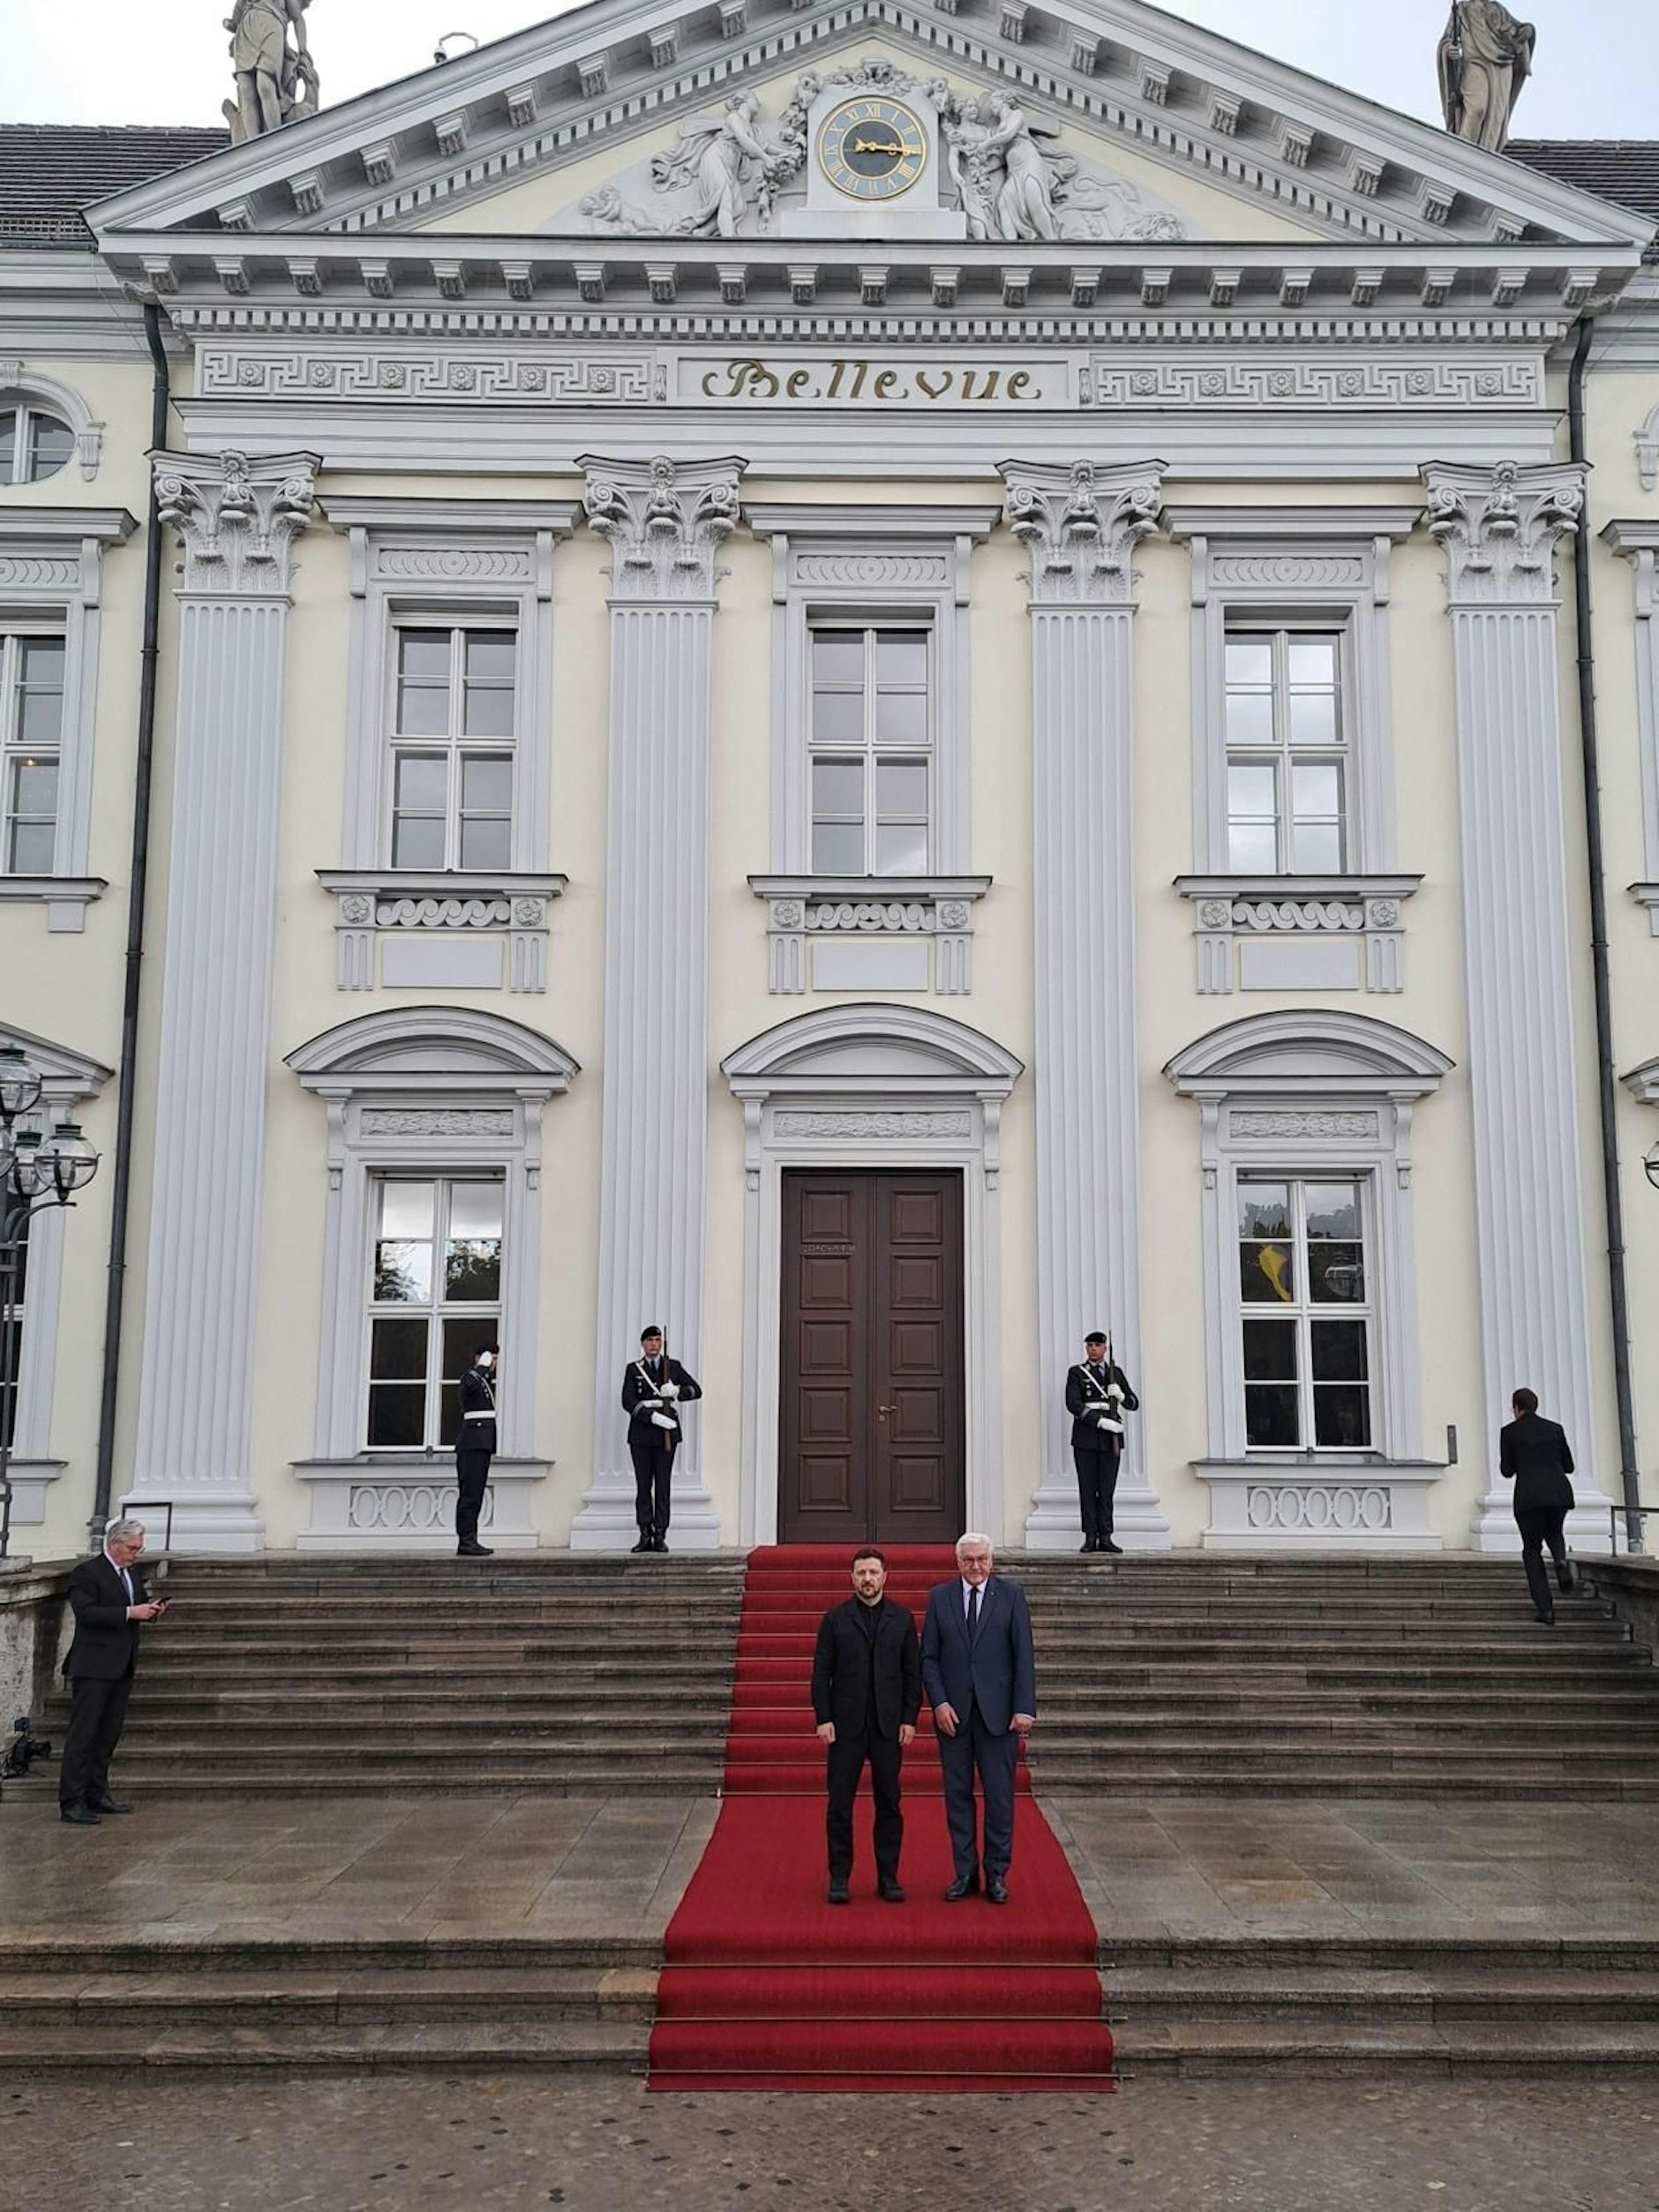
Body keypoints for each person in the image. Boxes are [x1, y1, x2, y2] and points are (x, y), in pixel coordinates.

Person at [920, 1533, 1036, 1905]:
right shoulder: (940, 1598)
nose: (975, 1567)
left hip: (999, 1717)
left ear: (991, 1561)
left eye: (982, 1559)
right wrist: (938, 1703)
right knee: (957, 1796)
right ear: (958, 1562)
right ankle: (965, 1871)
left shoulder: (1012, 1596)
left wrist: (1023, 1708)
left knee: (1000, 1797)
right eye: (969, 1560)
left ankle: (997, 1872)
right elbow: (929, 1658)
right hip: (953, 1717)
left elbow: (1023, 1656)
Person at [811, 1548, 921, 1906]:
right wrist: (823, 1718)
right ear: (852, 1577)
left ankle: (888, 1877)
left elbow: (912, 1674)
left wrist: (909, 1718)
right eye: (861, 1573)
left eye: (873, 1572)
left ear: (885, 1576)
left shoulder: (902, 1619)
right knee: (839, 1806)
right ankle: (839, 1876)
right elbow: (821, 1673)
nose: (868, 1579)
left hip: (889, 1728)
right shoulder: (835, 1619)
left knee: (889, 1804)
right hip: (845, 1729)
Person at [59, 1517, 167, 1826]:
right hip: (93, 1665)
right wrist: (130, 1612)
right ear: (114, 1544)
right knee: (84, 1735)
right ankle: (72, 1801)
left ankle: (97, 1793)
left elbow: (139, 1604)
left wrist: (152, 1609)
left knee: (108, 1734)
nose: (136, 1554)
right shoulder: (87, 1573)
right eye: (133, 1548)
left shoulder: (130, 1572)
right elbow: (87, 1613)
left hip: (122, 1663)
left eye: (140, 1548)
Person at [1499, 1386, 1577, 1625]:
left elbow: (1507, 1470)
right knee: (1555, 1531)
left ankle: (1546, 1609)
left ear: (1516, 1408)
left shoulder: (1509, 1432)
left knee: (1531, 1550)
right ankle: (1561, 1562)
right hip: (1558, 1492)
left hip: (1529, 1497)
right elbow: (1569, 1465)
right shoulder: (1555, 1429)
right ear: (1536, 1406)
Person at [621, 1326, 702, 1554]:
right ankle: (644, 1533)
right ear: (642, 1344)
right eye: (650, 1340)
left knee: (663, 1484)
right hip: (641, 1432)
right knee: (643, 1485)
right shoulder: (633, 1369)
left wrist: (677, 1391)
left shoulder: (673, 1366)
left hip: (667, 1433)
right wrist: (651, 1416)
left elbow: (696, 1390)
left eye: (657, 1340)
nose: (654, 1344)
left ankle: (660, 1534)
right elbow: (628, 1401)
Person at [1064, 1331, 1141, 1554]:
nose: (1093, 1349)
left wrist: (1121, 1397)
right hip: (1086, 1437)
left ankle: (1106, 1536)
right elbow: (1073, 1404)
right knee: (1088, 1488)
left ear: (1105, 1349)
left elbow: (1133, 1403)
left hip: (1111, 1439)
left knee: (1107, 1489)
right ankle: (1090, 1536)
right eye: (1090, 1345)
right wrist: (1100, 1422)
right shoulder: (1077, 1373)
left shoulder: (1114, 1373)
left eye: (1097, 1345)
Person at [454, 1343, 499, 1559]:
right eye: (492, 1358)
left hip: (481, 1443)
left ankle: (471, 1537)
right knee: (470, 1494)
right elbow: (467, 1387)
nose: (494, 1364)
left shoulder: (485, 1383)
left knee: (476, 1493)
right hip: (472, 1443)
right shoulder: (472, 1378)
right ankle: (466, 1539)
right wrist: (481, 1367)